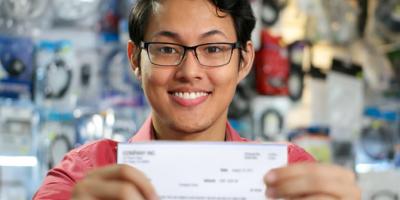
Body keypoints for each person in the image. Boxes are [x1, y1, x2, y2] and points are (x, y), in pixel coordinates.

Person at [34, 0, 361, 199]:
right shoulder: (83, 176)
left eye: (214, 49)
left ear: (244, 60)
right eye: (166, 49)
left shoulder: (291, 174)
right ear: (135, 59)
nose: (189, 71)